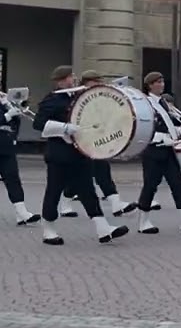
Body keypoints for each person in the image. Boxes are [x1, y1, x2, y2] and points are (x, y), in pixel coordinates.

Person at [32, 65, 129, 245]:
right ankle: (49, 230)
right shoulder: (52, 99)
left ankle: (103, 229)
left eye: (73, 76)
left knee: (88, 191)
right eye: (70, 77)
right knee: (54, 191)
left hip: (80, 153)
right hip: (59, 155)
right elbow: (38, 124)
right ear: (61, 81)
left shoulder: (77, 97)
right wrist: (64, 128)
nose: (74, 79)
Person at [131, 72, 181, 235]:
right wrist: (159, 137)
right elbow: (141, 126)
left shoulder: (163, 103)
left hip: (169, 150)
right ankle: (143, 221)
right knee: (150, 186)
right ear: (149, 85)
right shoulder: (145, 103)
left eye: (162, 81)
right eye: (157, 82)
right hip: (153, 151)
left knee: (178, 184)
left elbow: (169, 123)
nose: (161, 84)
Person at [57, 70, 136, 218]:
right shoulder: (78, 97)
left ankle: (115, 203)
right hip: (80, 140)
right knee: (82, 175)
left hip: (95, 140)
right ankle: (66, 203)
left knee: (101, 170)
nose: (99, 84)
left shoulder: (98, 96)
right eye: (96, 81)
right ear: (87, 82)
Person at [0, 87, 39, 225]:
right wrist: (6, 116)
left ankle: (22, 213)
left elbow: (14, 124)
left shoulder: (4, 102)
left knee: (13, 179)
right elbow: (5, 119)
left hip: (6, 147)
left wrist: (11, 106)